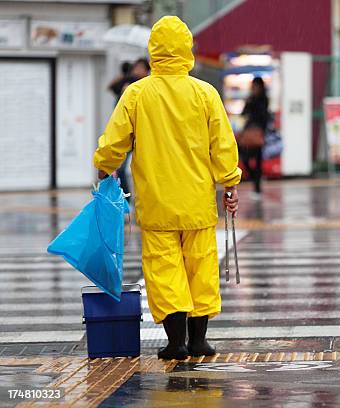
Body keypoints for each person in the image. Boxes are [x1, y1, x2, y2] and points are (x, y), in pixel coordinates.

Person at [93, 16, 241, 360]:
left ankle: (175, 343)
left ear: (154, 51)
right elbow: (222, 145)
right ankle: (199, 340)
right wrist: (229, 181)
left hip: (157, 202)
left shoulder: (138, 93)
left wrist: (104, 166)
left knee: (164, 269)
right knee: (201, 268)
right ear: (187, 50)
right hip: (197, 202)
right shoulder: (205, 93)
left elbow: (115, 141)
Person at [115, 59, 151, 202]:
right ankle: (127, 200)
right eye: (136, 67)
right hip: (130, 134)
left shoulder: (148, 88)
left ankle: (138, 200)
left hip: (144, 136)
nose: (138, 70)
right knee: (122, 169)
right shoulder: (129, 87)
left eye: (141, 67)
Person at [241, 76, 269, 197]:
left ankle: (257, 188)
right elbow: (244, 112)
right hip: (248, 133)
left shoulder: (263, 99)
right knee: (245, 158)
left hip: (258, 133)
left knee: (258, 162)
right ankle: (254, 180)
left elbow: (263, 115)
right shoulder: (250, 98)